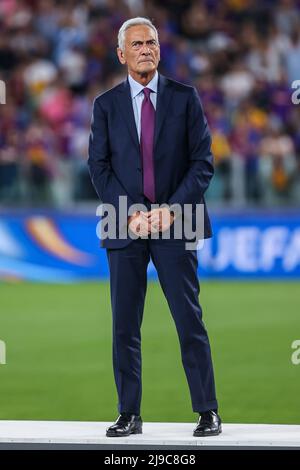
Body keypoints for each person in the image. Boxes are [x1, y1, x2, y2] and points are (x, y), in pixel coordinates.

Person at [88, 17, 221, 438]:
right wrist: (129, 212)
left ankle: (208, 411)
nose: (146, 49)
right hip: (123, 223)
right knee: (124, 325)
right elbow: (99, 166)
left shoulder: (186, 98)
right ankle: (129, 413)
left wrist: (170, 210)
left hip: (176, 223)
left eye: (152, 42)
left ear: (159, 50)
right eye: (137, 44)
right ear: (121, 54)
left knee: (189, 319)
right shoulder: (105, 105)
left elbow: (203, 163)